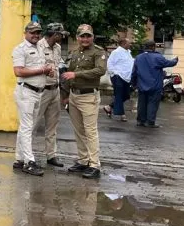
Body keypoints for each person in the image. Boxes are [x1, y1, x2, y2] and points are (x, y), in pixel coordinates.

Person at [62, 24, 107, 179]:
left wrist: (76, 74)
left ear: (92, 37)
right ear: (77, 37)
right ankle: (83, 160)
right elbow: (68, 74)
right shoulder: (74, 53)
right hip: (74, 95)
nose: (85, 39)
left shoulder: (98, 52)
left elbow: (100, 71)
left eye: (88, 36)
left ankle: (94, 164)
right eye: (82, 36)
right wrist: (66, 95)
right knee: (79, 130)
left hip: (89, 96)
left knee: (91, 131)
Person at [10, 22, 53, 176]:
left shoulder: (40, 48)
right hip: (26, 91)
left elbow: (40, 68)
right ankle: (29, 162)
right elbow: (19, 71)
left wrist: (47, 72)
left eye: (38, 33)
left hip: (38, 92)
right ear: (25, 33)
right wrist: (42, 70)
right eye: (32, 32)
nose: (35, 35)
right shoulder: (20, 49)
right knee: (28, 127)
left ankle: (19, 159)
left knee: (26, 127)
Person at [37, 23, 67, 167]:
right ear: (54, 34)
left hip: (55, 90)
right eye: (60, 34)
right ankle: (25, 157)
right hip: (41, 90)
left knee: (52, 126)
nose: (62, 36)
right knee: (32, 124)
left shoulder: (58, 48)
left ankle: (51, 155)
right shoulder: (38, 46)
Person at [131, 40, 178, 128]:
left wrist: (133, 84)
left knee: (142, 104)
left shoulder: (138, 57)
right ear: (153, 47)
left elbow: (134, 72)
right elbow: (168, 63)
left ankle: (140, 121)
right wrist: (175, 60)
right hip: (154, 86)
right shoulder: (157, 57)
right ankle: (150, 122)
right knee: (152, 103)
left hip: (141, 85)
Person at [104, 38, 134, 121]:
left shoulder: (128, 52)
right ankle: (122, 114)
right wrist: (113, 73)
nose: (130, 44)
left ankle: (109, 107)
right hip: (118, 76)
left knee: (126, 95)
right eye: (129, 43)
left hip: (127, 77)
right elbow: (109, 63)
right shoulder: (116, 52)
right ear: (124, 44)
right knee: (119, 94)